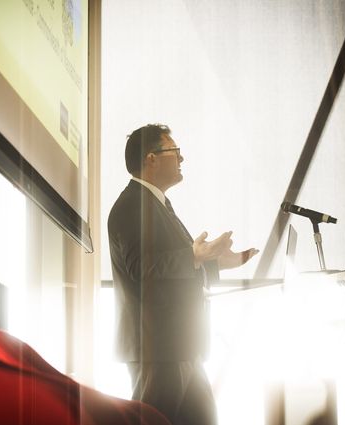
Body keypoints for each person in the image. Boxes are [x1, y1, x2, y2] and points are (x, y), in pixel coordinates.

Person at [107, 124, 258, 425]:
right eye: (174, 151)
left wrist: (217, 263)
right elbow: (141, 266)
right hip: (157, 348)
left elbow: (174, 266)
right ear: (150, 159)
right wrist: (194, 255)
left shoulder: (159, 204)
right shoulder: (130, 205)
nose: (181, 158)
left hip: (180, 347)